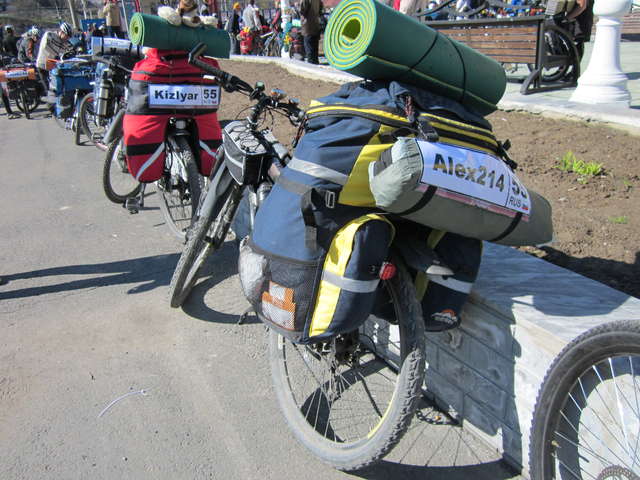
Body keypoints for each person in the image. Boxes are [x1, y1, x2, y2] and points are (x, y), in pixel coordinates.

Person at [36, 22, 74, 98]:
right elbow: (46, 47)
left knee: (59, 87)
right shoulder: (49, 35)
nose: (67, 38)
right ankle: (48, 101)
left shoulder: (65, 42)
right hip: (43, 65)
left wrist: (73, 53)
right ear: (61, 32)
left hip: (54, 67)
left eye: (68, 37)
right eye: (66, 36)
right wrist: (58, 55)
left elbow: (71, 49)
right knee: (48, 89)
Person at [300, 0, 322, 64]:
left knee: (309, 49)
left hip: (307, 27)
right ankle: (315, 63)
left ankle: (311, 65)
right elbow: (320, 10)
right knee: (315, 49)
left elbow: (302, 10)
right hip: (316, 25)